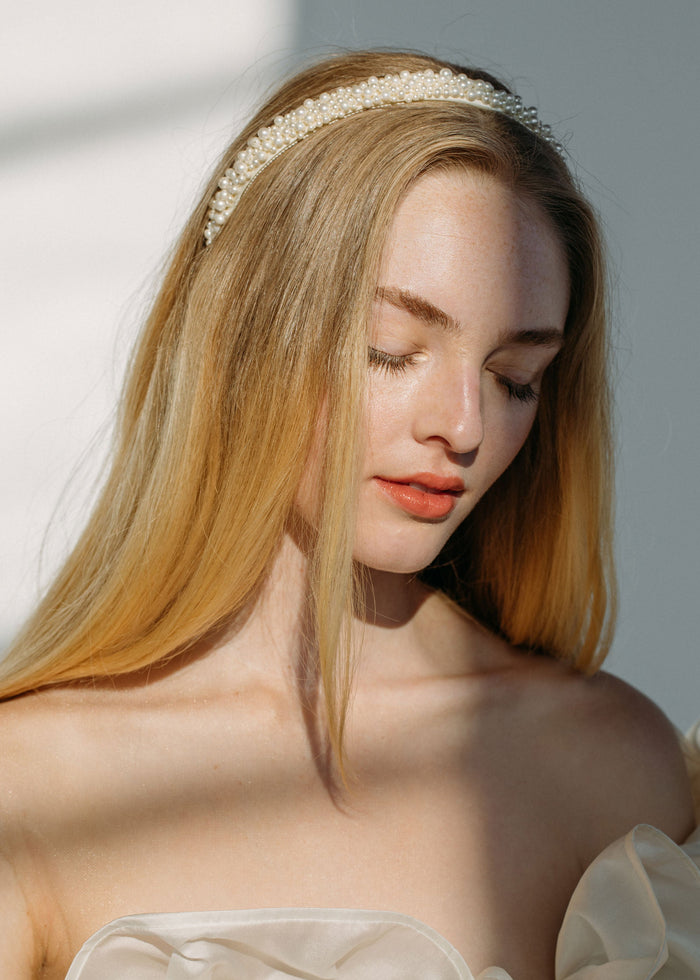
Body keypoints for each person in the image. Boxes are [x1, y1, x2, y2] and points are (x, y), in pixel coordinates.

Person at [0, 50, 698, 980]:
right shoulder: (30, 783)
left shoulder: (607, 772)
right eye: (390, 350)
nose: (464, 427)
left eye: (515, 378)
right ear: (240, 333)